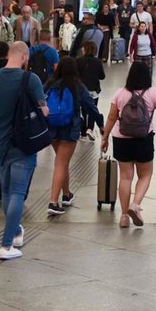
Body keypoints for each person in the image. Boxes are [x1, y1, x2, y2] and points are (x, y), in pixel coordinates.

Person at [0, 42, 48, 260]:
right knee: (17, 192)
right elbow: (44, 111)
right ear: (24, 57)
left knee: (6, 191)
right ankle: (6, 245)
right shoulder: (31, 80)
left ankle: (15, 232)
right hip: (23, 143)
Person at [100, 62, 156, 228]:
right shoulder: (152, 93)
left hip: (122, 139)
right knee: (145, 175)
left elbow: (112, 117)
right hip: (143, 138)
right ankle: (135, 204)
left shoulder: (120, 94)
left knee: (125, 177)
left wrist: (105, 137)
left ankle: (123, 216)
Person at [45, 57, 104, 216]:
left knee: (62, 161)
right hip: (69, 129)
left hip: (52, 128)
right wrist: (100, 123)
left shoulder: (50, 84)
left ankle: (66, 194)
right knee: (61, 164)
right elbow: (90, 107)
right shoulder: (77, 86)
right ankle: (53, 202)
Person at [77, 41, 105, 141]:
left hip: (82, 90)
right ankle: (90, 129)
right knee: (93, 109)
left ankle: (83, 132)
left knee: (83, 111)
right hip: (94, 90)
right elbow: (102, 76)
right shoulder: (97, 61)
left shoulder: (78, 61)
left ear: (85, 49)